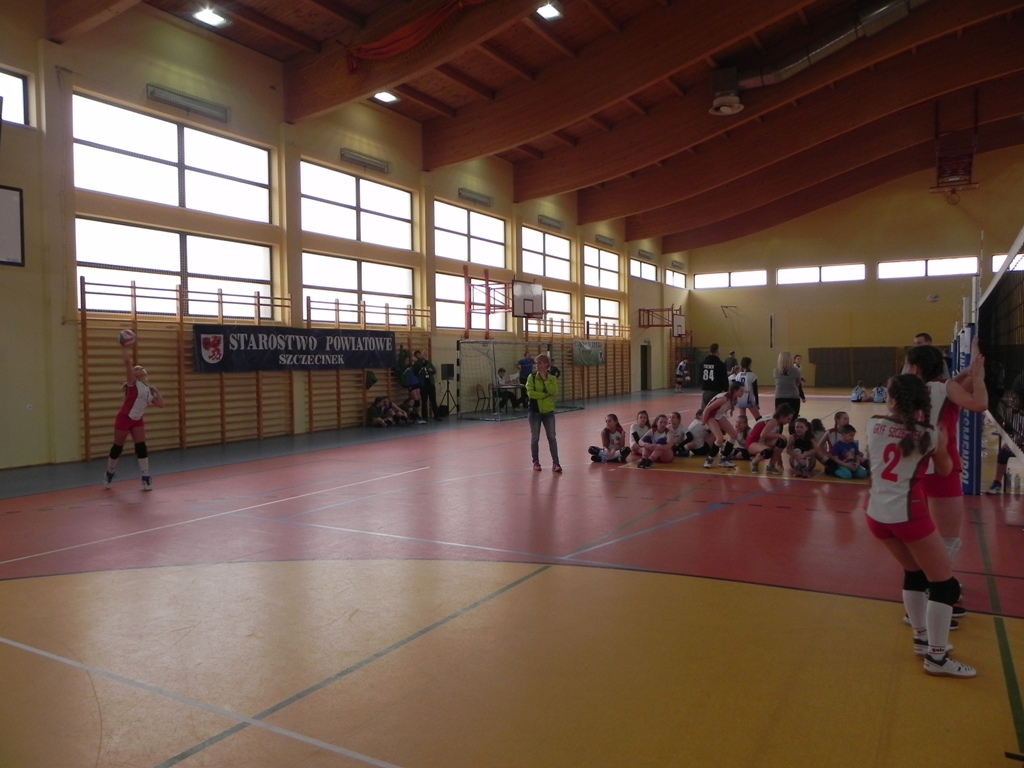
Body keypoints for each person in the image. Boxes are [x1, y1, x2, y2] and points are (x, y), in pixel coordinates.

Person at [864, 373, 974, 677]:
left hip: (875, 515)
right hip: (908, 516)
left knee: (914, 573)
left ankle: (922, 638)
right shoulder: (930, 435)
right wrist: (944, 442)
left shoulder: (872, 423)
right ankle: (936, 658)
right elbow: (945, 470)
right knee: (944, 584)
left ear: (891, 400)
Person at [904, 340, 987, 602]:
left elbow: (950, 390)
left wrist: (967, 372)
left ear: (915, 369)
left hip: (914, 470)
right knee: (947, 538)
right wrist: (979, 376)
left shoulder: (907, 391)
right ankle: (938, 587)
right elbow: (979, 403)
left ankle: (930, 585)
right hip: (941, 468)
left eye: (907, 364)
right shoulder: (945, 387)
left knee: (923, 534)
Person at [104, 345, 166, 491]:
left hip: (137, 419)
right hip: (124, 418)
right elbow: (127, 362)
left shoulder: (148, 390)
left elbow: (161, 404)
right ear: (133, 374)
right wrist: (124, 347)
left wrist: (156, 390)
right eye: (137, 368)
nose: (140, 368)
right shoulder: (133, 384)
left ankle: (145, 477)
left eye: (142, 367)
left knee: (141, 447)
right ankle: (109, 473)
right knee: (117, 448)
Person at [526, 352, 561, 472]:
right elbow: (530, 393)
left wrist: (545, 380)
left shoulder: (552, 378)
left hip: (548, 412)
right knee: (535, 438)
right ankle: (536, 461)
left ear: (546, 364)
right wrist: (544, 395)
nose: (537, 365)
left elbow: (554, 391)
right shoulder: (531, 377)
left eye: (539, 363)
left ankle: (556, 463)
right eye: (536, 363)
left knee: (552, 437)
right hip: (534, 412)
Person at [987, 389, 1023, 494]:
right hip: (1018, 445)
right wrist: (1010, 442)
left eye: (1015, 398)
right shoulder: (1013, 415)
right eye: (1012, 398)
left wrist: (1020, 444)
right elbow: (1012, 433)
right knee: (1003, 452)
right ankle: (997, 483)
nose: (1011, 400)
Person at [701, 380, 744, 469]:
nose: (743, 393)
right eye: (741, 391)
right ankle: (709, 459)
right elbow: (707, 409)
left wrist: (731, 410)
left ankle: (724, 459)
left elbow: (728, 406)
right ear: (735, 390)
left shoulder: (733, 398)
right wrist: (704, 422)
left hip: (718, 415)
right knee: (719, 438)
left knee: (734, 435)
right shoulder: (723, 398)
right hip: (710, 416)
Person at [746, 403, 793, 475]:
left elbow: (775, 442)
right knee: (767, 451)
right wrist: (780, 435)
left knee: (782, 441)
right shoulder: (773, 421)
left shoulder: (778, 423)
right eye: (788, 418)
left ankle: (771, 466)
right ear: (782, 416)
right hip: (752, 443)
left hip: (762, 441)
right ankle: (754, 462)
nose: (789, 421)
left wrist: (778, 458)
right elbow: (763, 434)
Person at [773, 351, 803, 432]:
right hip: (793, 397)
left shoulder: (775, 371)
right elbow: (798, 383)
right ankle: (793, 436)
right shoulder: (796, 371)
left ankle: (777, 437)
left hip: (779, 397)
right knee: (793, 419)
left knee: (779, 419)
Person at [412, 349, 440, 421]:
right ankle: (425, 416)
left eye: (419, 354)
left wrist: (431, 370)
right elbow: (416, 370)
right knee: (424, 401)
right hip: (423, 385)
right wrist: (424, 359)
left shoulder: (428, 362)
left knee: (433, 400)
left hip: (430, 383)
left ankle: (436, 415)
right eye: (417, 355)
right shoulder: (417, 364)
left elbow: (434, 371)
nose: (419, 356)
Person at [699, 343, 728, 408]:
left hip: (705, 392)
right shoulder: (720, 364)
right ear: (717, 350)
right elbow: (724, 379)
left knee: (705, 411)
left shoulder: (703, 363)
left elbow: (700, 377)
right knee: (715, 411)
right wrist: (726, 390)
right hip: (716, 392)